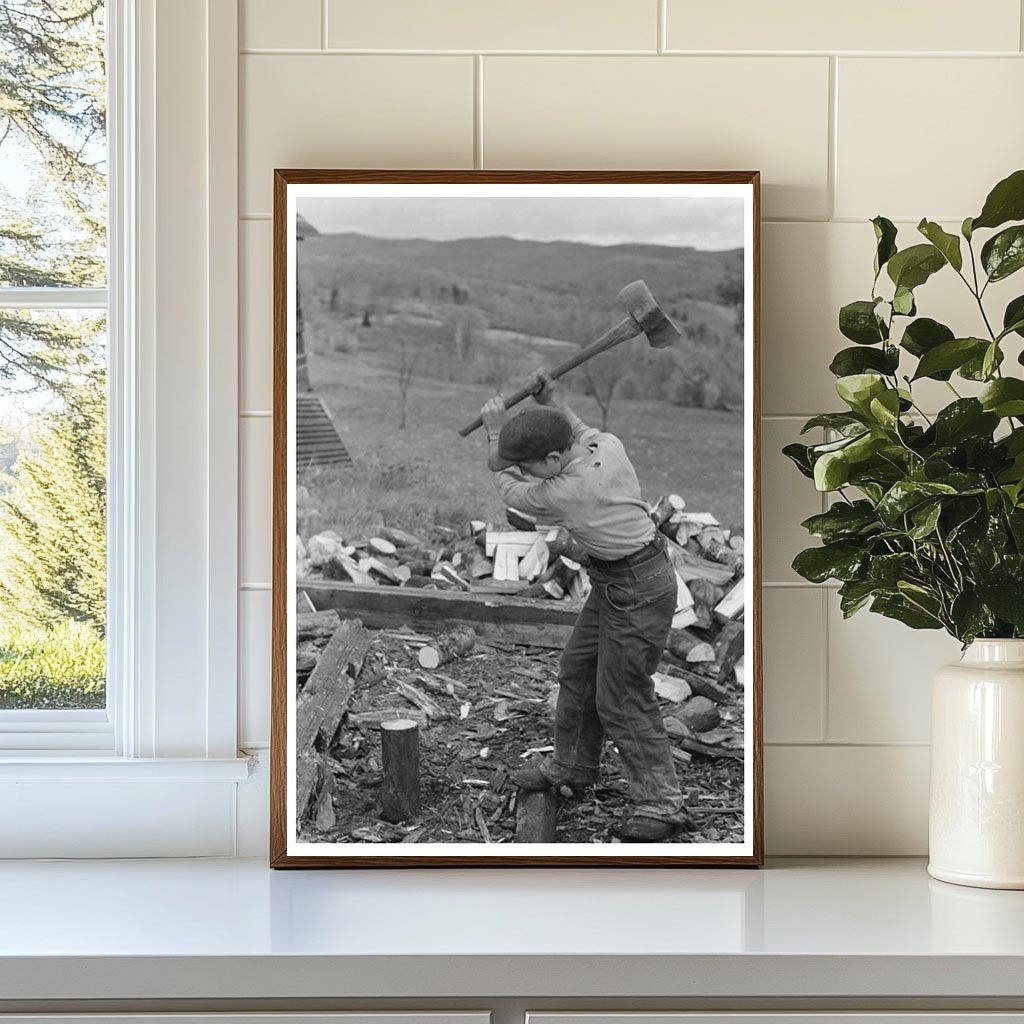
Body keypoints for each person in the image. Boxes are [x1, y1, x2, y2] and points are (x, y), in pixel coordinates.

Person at [480, 369, 690, 842]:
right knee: (577, 671)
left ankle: (662, 802)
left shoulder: (566, 492)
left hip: (638, 590)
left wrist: (494, 432)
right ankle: (573, 766)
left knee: (622, 696)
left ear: (553, 460)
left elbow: (506, 484)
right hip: (620, 580)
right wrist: (553, 398)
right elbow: (574, 426)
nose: (526, 472)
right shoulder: (606, 445)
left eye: (530, 465)